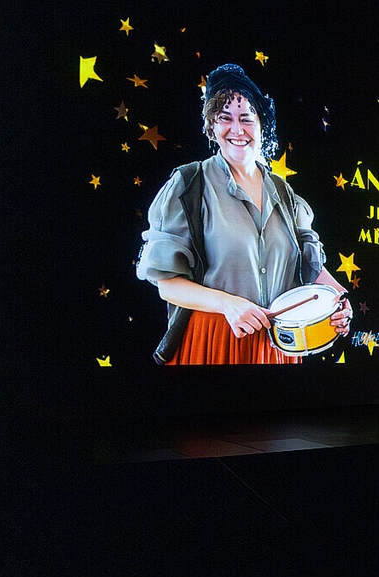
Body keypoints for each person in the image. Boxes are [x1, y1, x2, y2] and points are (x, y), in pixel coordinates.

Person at [136, 63, 351, 364]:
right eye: (225, 118)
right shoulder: (189, 184)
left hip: (275, 346)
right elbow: (167, 284)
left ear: (262, 125)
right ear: (212, 125)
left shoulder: (285, 194)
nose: (237, 130)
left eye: (247, 119)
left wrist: (339, 299)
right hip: (213, 342)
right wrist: (228, 304)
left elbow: (309, 266)